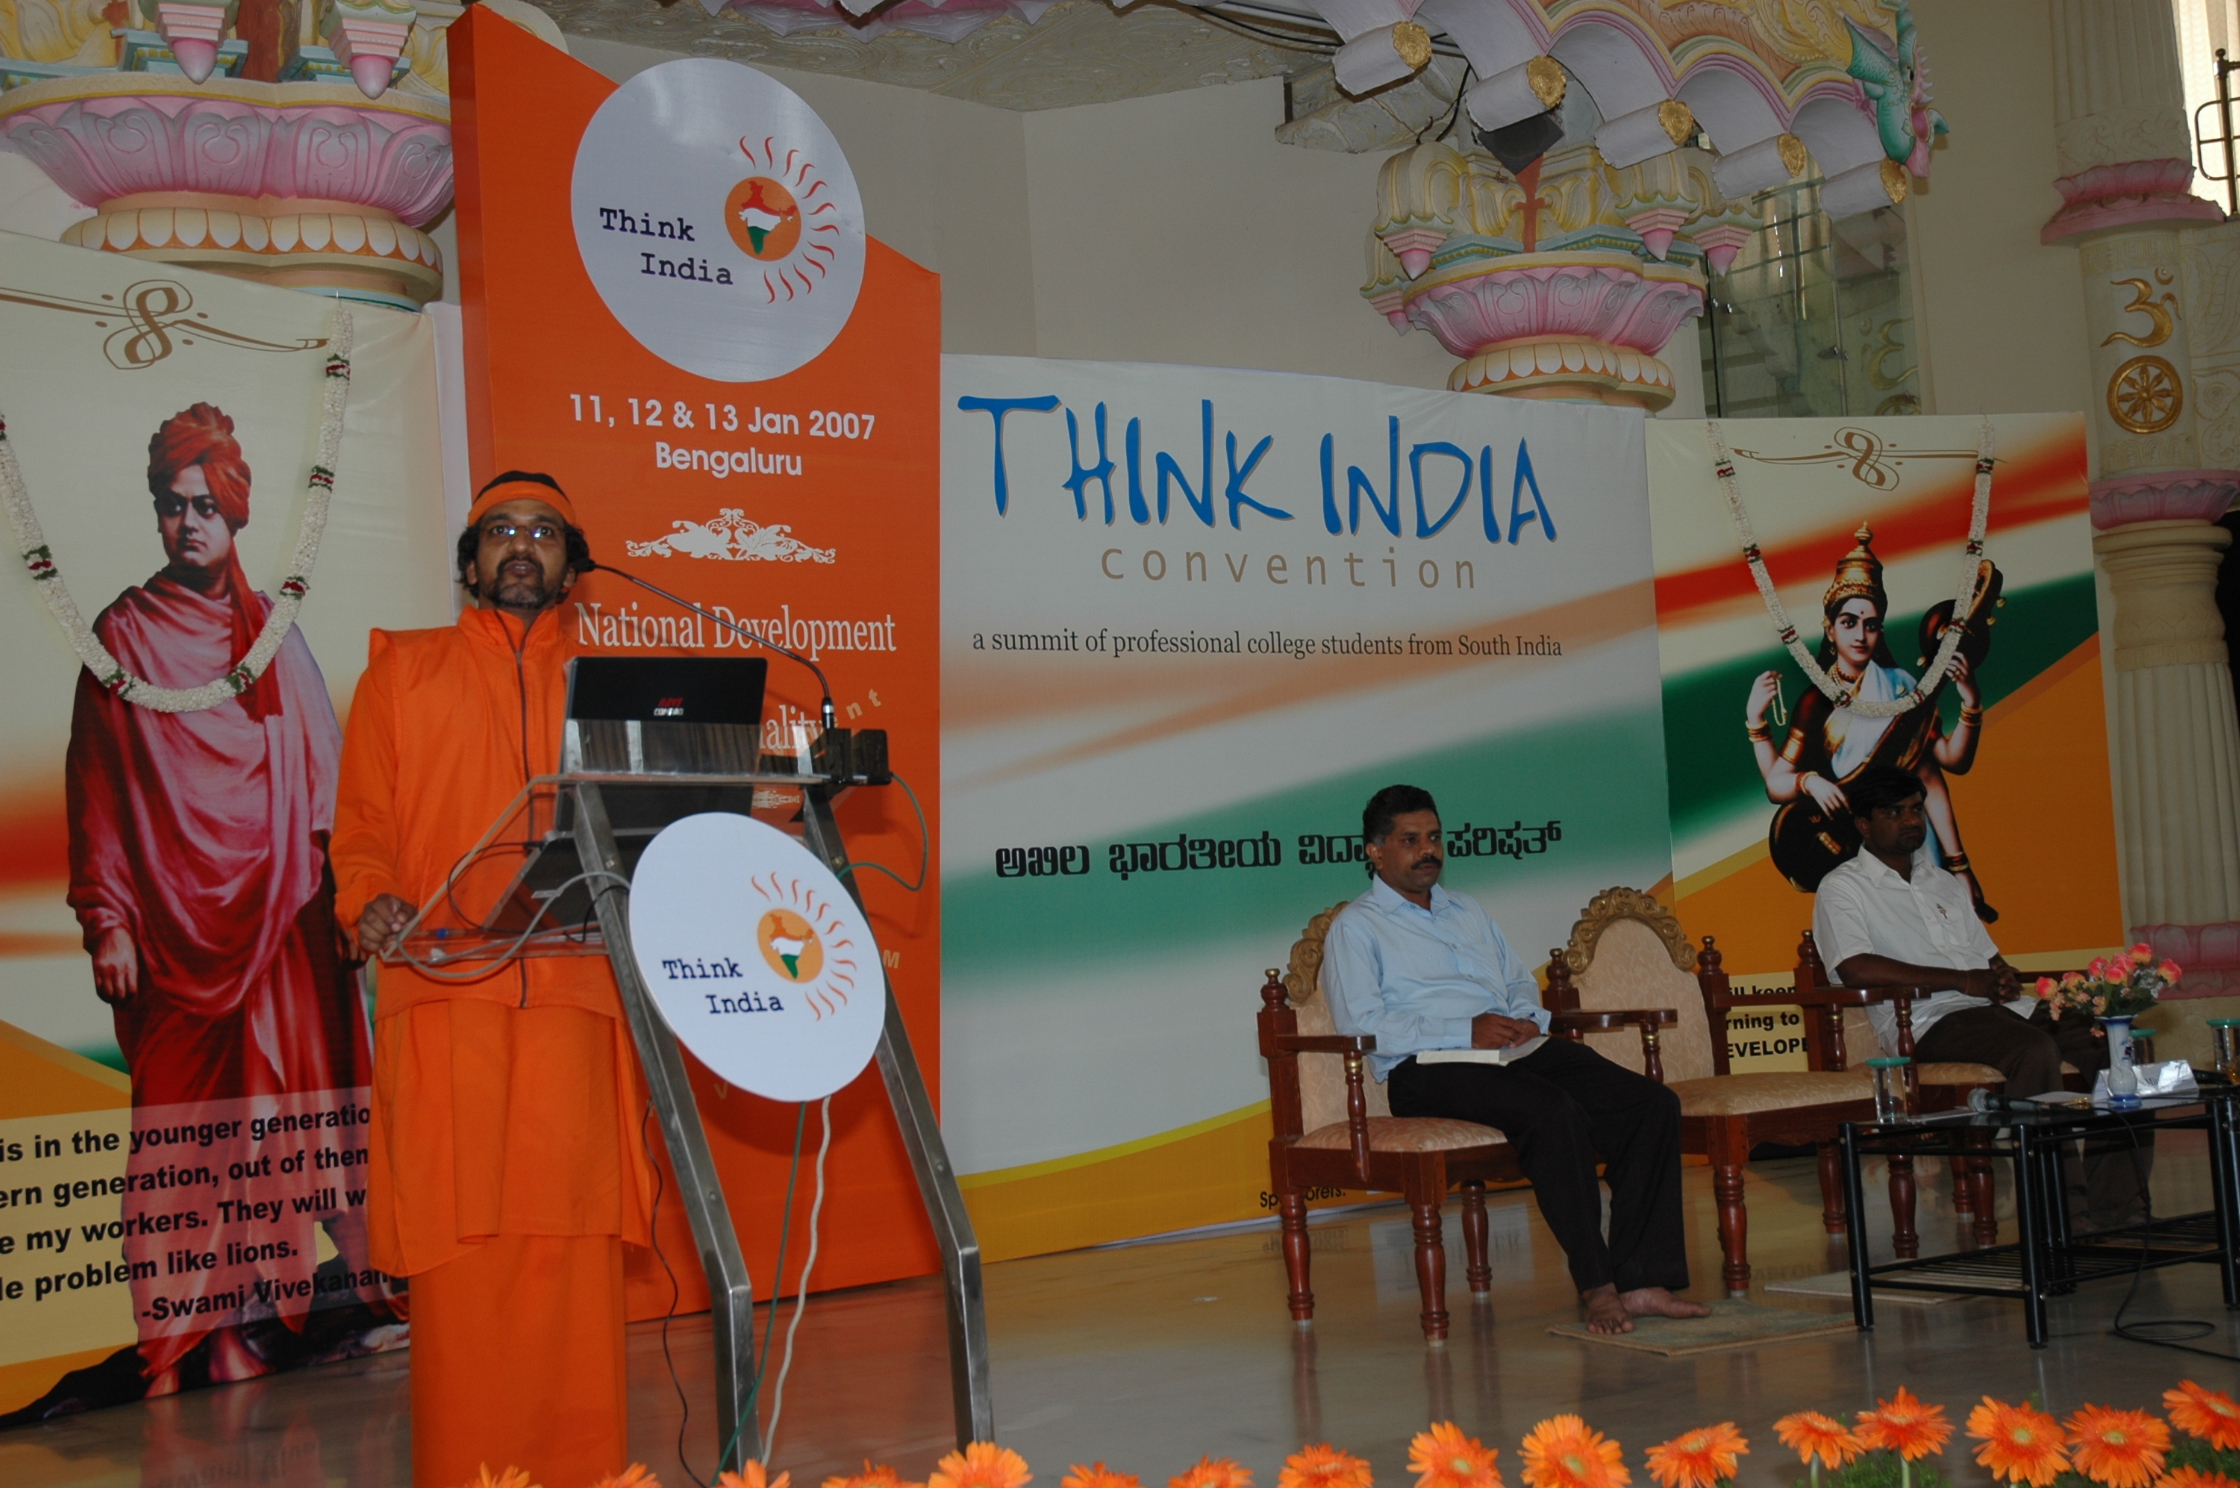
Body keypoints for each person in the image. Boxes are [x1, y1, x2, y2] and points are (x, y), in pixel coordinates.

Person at [332, 472, 653, 1488]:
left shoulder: (609, 688)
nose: (523, 545)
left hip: (575, 999)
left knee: (571, 1258)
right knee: (465, 1264)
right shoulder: (402, 674)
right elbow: (362, 827)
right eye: (502, 531)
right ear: (470, 561)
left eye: (545, 532)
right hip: (448, 998)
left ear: (572, 562)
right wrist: (368, 898)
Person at [66, 402, 375, 1393]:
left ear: (235, 514)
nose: (188, 523)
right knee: (181, 1148)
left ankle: (265, 1325)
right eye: (172, 504)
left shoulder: (271, 636)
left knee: (280, 1132)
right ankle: (187, 1342)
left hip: (283, 928)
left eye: (205, 505)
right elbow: (98, 790)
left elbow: (328, 786)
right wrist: (108, 919)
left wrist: (347, 895)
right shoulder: (121, 635)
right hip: (171, 937)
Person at [1320, 784, 1710, 1335]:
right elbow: (1363, 1027)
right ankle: (1598, 1285)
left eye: (1434, 837)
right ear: (1375, 851)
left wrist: (1527, 1017)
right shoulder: (1356, 927)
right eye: (1410, 840)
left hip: (1513, 1049)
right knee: (1550, 1111)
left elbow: (1517, 981)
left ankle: (1643, 1281)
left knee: (1648, 1105)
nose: (1428, 850)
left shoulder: (1467, 910)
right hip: (1425, 1066)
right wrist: (1465, 1030)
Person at [1812, 763, 2147, 1228]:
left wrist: (2001, 977)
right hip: (1931, 1021)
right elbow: (1855, 967)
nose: (1911, 820)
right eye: (1894, 812)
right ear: (1864, 824)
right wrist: (1962, 981)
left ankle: (2118, 1208)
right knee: (2034, 1050)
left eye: (1916, 810)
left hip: (2002, 1010)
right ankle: (2060, 1215)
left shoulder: (1943, 882)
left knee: (2114, 1041)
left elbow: (1988, 959)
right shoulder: (1842, 887)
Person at [1745, 525, 1995, 919]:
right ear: (1830, 629)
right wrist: (1806, 778)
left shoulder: (1902, 687)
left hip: (1913, 843)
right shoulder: (1816, 701)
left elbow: (1941, 768)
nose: (1861, 635)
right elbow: (1777, 786)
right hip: (1852, 846)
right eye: (1849, 622)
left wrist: (1971, 701)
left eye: (1871, 624)